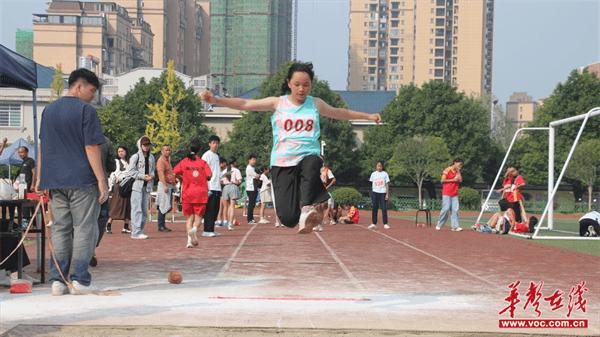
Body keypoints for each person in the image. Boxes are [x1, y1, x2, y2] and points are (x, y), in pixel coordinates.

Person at [200, 62, 381, 233]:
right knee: (288, 219)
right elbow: (246, 104)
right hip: (282, 162)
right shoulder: (278, 103)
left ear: (311, 85)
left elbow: (339, 112)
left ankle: (310, 208)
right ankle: (308, 209)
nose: (301, 89)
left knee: (312, 162)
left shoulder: (315, 104)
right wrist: (216, 99)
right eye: (297, 84)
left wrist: (367, 116)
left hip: (308, 156)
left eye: (306, 85)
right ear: (289, 83)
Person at [36, 68, 108, 295]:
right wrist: (101, 180)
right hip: (81, 179)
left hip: (55, 180)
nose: (93, 96)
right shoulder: (86, 111)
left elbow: (42, 146)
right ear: (79, 86)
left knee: (60, 229)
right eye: (92, 90)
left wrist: (39, 176)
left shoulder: (48, 110)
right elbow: (91, 146)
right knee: (84, 228)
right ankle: (79, 279)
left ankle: (58, 280)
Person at [173, 144, 212, 248]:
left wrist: (182, 177)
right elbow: (209, 175)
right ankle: (194, 230)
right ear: (199, 151)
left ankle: (189, 241)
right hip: (200, 194)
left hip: (187, 193)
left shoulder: (184, 161)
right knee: (198, 218)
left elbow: (174, 172)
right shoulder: (203, 163)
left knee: (189, 218)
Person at [90, 135, 115, 267]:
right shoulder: (105, 141)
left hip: (79, 184)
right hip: (101, 184)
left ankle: (80, 249)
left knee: (81, 218)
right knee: (102, 216)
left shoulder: (75, 136)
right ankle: (92, 247)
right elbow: (111, 164)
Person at [127, 135, 155, 240]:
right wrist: (143, 177)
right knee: (136, 209)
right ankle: (135, 232)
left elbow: (152, 170)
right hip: (137, 186)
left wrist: (151, 176)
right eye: (145, 145)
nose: (147, 147)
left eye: (148, 145)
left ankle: (140, 230)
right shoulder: (135, 157)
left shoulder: (151, 157)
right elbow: (131, 171)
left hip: (146, 187)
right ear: (140, 145)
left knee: (144, 210)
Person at [107, 145, 131, 234]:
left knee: (127, 206)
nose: (120, 153)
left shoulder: (129, 162)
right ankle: (108, 226)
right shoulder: (117, 162)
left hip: (127, 185)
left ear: (126, 152)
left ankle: (126, 226)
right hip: (119, 186)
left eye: (122, 151)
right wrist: (125, 174)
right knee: (116, 205)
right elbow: (116, 173)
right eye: (119, 151)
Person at [201, 135, 221, 237]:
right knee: (209, 209)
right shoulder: (206, 155)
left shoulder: (217, 156)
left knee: (215, 209)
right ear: (209, 144)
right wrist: (206, 186)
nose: (215, 145)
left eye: (217, 143)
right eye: (213, 143)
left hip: (217, 186)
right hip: (210, 187)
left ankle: (211, 228)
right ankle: (206, 230)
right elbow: (202, 171)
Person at [436, 158, 464, 232]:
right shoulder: (447, 170)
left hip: (455, 193)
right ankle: (439, 224)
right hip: (447, 193)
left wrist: (458, 172)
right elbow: (442, 180)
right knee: (446, 208)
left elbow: (460, 180)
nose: (460, 166)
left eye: (461, 165)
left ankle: (455, 226)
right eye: (459, 164)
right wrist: (453, 180)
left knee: (455, 210)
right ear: (455, 163)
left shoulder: (458, 171)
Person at [156, 145, 176, 232]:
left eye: (169, 150)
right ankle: (161, 226)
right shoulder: (161, 161)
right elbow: (161, 174)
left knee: (167, 206)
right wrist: (164, 186)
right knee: (163, 206)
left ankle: (162, 224)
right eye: (166, 150)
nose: (168, 151)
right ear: (162, 151)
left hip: (169, 185)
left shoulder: (168, 160)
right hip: (164, 185)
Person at [368, 161, 391, 230]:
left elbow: (387, 184)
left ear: (382, 166)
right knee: (374, 208)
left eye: (380, 166)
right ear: (376, 166)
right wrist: (371, 193)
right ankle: (373, 223)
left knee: (384, 208)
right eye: (378, 166)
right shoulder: (373, 174)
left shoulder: (385, 174)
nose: (379, 167)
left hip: (383, 193)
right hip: (375, 192)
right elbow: (371, 184)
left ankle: (385, 223)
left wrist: (387, 194)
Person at [222, 158, 242, 230]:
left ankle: (227, 222)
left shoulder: (224, 171)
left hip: (225, 187)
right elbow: (239, 181)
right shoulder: (236, 170)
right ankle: (230, 223)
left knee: (227, 206)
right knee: (232, 206)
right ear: (233, 163)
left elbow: (221, 181)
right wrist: (236, 182)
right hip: (233, 187)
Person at [318, 161, 337, 231]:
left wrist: (327, 187)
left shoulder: (327, 170)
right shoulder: (314, 169)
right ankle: (318, 222)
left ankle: (329, 220)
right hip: (316, 191)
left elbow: (334, 179)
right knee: (318, 207)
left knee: (326, 206)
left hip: (324, 191)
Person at [245, 154, 259, 224]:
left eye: (255, 160)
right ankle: (249, 219)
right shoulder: (249, 168)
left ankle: (251, 218)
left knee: (252, 204)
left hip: (253, 187)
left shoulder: (252, 168)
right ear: (249, 160)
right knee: (251, 204)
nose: (254, 161)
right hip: (251, 188)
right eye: (253, 160)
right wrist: (258, 175)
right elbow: (256, 176)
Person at [216, 157, 230, 228]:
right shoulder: (219, 171)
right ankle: (221, 220)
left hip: (224, 189)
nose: (220, 165)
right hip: (220, 189)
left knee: (224, 205)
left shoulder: (226, 170)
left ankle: (223, 220)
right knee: (222, 206)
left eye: (221, 163)